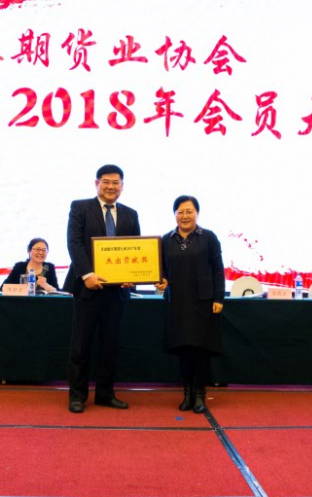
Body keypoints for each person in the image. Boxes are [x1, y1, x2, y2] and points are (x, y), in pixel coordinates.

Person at [66, 164, 141, 413]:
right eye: (106, 182)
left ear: (122, 186)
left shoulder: (131, 214)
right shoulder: (80, 208)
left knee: (110, 345)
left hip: (116, 291)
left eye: (116, 182)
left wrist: (132, 276)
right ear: (97, 183)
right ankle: (77, 396)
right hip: (88, 288)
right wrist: (87, 274)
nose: (111, 186)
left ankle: (105, 394)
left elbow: (136, 248)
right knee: (81, 344)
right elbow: (74, 243)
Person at [155, 195, 225, 414]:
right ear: (174, 214)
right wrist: (161, 280)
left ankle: (200, 395)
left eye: (189, 211)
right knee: (184, 350)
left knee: (201, 351)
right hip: (177, 302)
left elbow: (218, 270)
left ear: (197, 213)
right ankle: (187, 394)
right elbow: (161, 270)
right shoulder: (165, 240)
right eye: (180, 212)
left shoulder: (209, 237)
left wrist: (218, 298)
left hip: (203, 302)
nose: (184, 216)